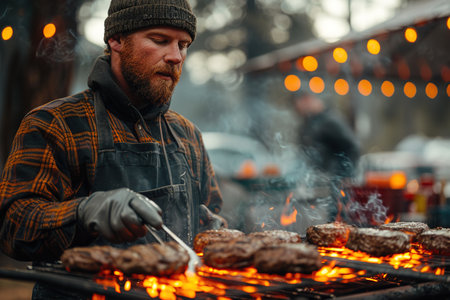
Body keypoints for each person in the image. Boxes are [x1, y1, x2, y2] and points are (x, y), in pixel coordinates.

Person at [0, 0, 223, 298]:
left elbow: (211, 221)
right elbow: (13, 228)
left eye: (183, 45)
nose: (175, 56)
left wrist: (212, 230)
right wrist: (83, 212)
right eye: (160, 40)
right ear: (116, 40)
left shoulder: (187, 134)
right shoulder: (56, 124)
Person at [294, 92, 360, 180]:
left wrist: (344, 175)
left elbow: (352, 147)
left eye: (298, 104)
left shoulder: (330, 121)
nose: (297, 109)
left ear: (307, 99)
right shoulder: (309, 123)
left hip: (332, 180)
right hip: (317, 179)